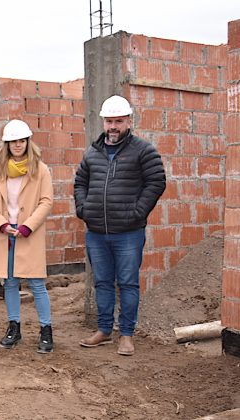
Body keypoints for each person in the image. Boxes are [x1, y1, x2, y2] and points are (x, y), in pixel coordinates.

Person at [75, 95, 166, 356]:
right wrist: (84, 209)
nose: (113, 126)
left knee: (127, 283)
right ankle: (104, 331)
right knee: (102, 282)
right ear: (103, 122)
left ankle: (126, 335)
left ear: (129, 121)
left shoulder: (143, 150)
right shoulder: (93, 152)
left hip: (129, 233)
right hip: (97, 233)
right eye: (109, 121)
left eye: (118, 121)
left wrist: (136, 213)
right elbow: (80, 182)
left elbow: (156, 182)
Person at [0, 120, 54, 353]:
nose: (18, 145)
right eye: (13, 141)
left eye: (22, 141)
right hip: (5, 233)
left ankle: (46, 330)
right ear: (6, 144)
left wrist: (28, 226)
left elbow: (46, 201)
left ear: (28, 142)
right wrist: (1, 224)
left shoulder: (40, 169)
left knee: (36, 283)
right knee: (10, 282)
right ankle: (14, 327)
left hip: (28, 234)